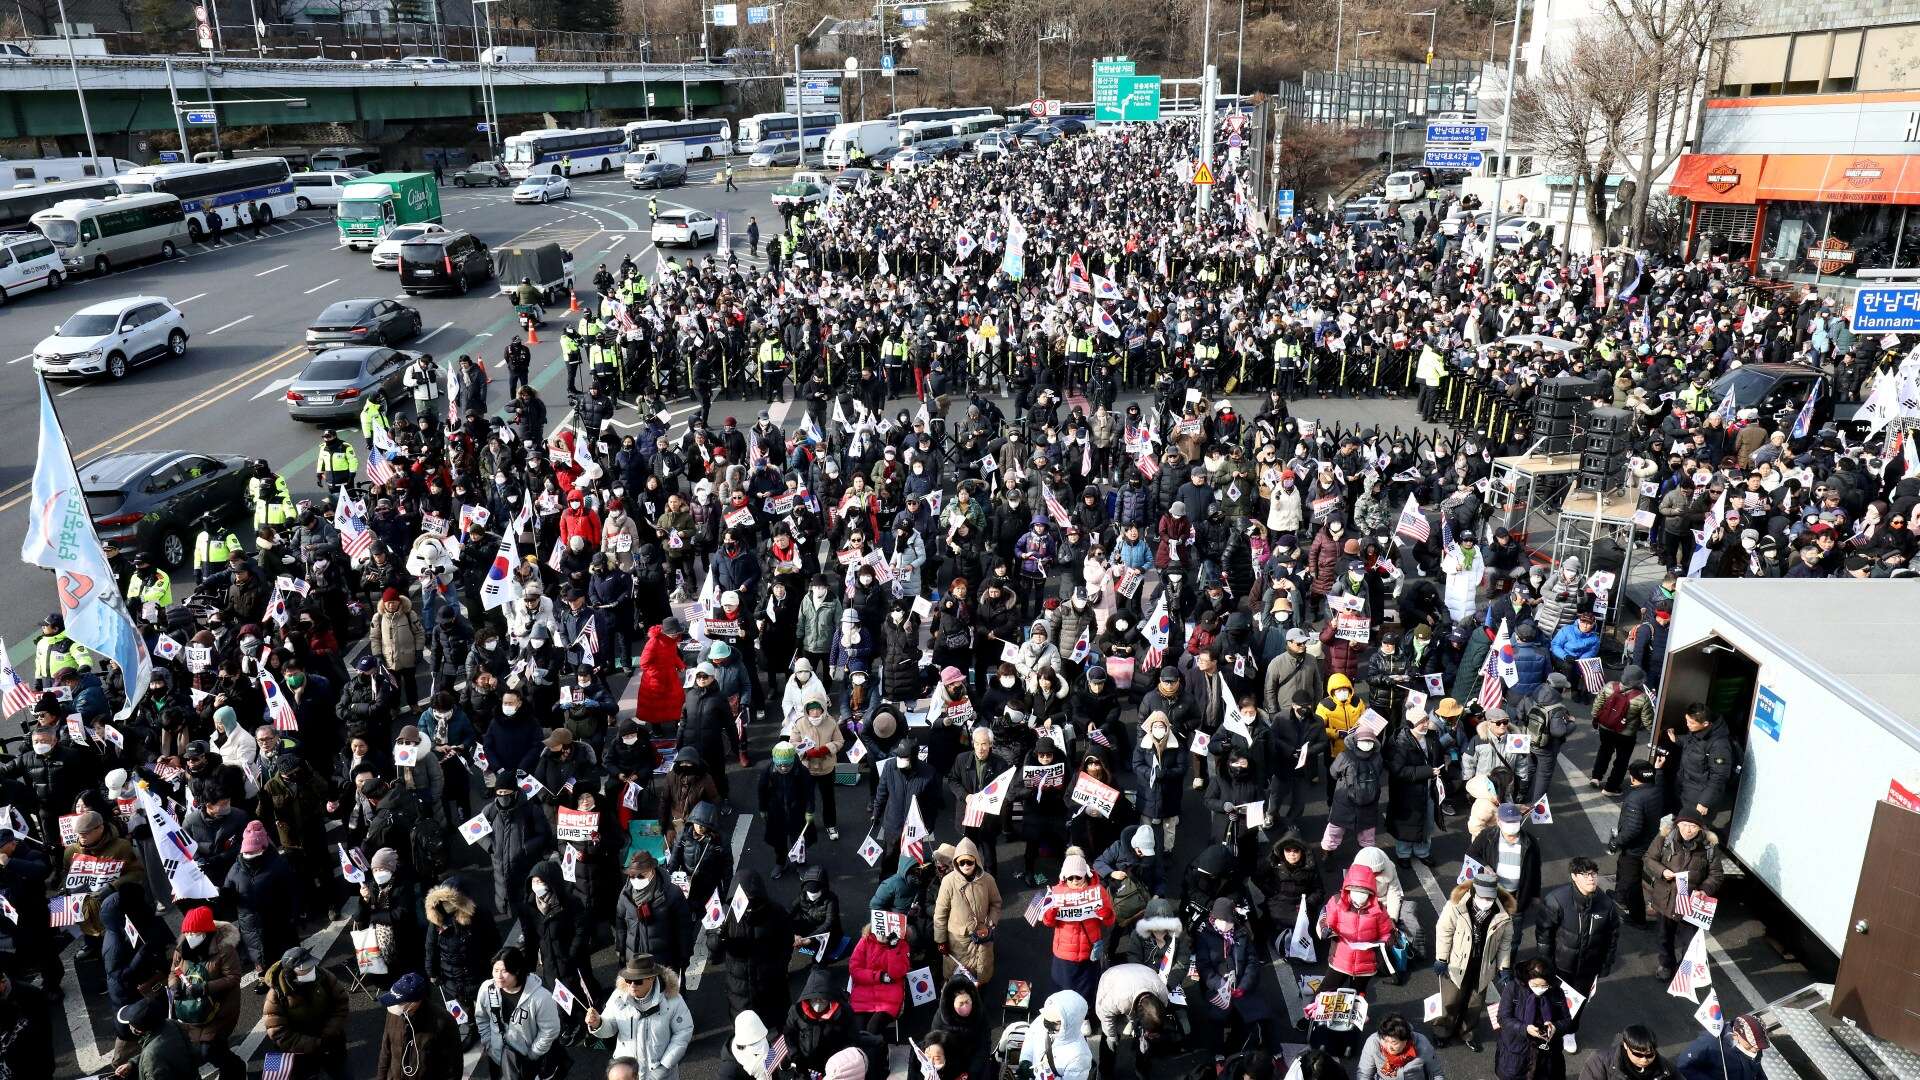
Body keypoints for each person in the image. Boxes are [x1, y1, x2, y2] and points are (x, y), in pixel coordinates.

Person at [1534, 856, 1622, 1052]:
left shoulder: (1606, 905)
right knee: (1550, 998)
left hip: (1588, 968)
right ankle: (1544, 1027)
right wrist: (1545, 963)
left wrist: (1605, 965)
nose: (1591, 878)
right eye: (1585, 874)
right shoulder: (1557, 900)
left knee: (1578, 1002)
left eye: (1593, 874)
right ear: (1574, 876)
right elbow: (1544, 935)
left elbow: (1612, 937)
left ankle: (1570, 1031)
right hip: (1560, 965)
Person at [1431, 866, 1514, 1051]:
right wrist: (1442, 959)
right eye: (1483, 896)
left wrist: (1504, 967)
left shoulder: (1504, 914)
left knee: (1475, 1003)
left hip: (1483, 965)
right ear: (1474, 891)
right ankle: (1442, 1031)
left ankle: (1467, 1033)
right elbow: (1444, 930)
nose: (1486, 901)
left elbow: (1505, 942)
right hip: (1456, 963)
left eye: (1490, 897)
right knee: (1450, 1001)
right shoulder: (1456, 905)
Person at [1644, 809, 1724, 980]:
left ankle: (1684, 970)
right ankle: (1666, 965)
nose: (1688, 830)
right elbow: (1649, 859)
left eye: (1693, 826)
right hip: (1665, 900)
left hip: (1691, 904)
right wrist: (1662, 871)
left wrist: (1704, 890)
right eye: (1685, 825)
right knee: (1664, 938)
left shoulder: (1709, 847)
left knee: (1690, 943)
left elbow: (1716, 875)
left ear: (1700, 829)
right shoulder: (1664, 838)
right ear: (1677, 824)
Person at [167, 905, 245, 1080]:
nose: (190, 937)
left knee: (209, 1049)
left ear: (206, 932)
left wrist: (205, 988)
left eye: (194, 933)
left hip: (219, 1008)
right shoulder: (182, 948)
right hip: (192, 1009)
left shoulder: (225, 950)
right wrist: (174, 986)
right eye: (187, 933)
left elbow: (233, 977)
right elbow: (174, 971)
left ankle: (236, 1070)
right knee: (205, 1050)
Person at [585, 957, 694, 1079]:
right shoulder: (618, 996)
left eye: (638, 981)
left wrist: (664, 1067)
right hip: (627, 1074)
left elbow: (683, 1032)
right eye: (628, 980)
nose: (631, 985)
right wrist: (598, 1023)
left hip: (661, 1075)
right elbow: (609, 1028)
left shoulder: (673, 999)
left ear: (651, 978)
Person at [476, 946, 564, 1080]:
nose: (498, 976)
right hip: (497, 1058)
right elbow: (481, 1018)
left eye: (504, 971)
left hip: (526, 1062)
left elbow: (550, 1030)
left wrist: (533, 1054)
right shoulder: (487, 989)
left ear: (517, 971)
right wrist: (489, 1044)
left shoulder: (541, 997)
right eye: (496, 970)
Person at [262, 947, 350, 1080]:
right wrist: (313, 1044)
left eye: (311, 966)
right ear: (290, 972)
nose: (311, 971)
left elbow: (341, 1003)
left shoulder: (324, 976)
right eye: (305, 969)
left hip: (330, 1043)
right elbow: (278, 1031)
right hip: (301, 1053)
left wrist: (328, 1033)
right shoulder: (276, 995)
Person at [1494, 958, 1572, 1080]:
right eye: (1535, 985)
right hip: (1517, 1051)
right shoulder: (1513, 988)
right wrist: (1524, 1028)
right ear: (1527, 978)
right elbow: (1503, 1018)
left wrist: (1556, 1027)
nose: (1539, 989)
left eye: (1544, 986)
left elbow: (1567, 1021)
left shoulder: (1557, 992)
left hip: (1546, 1054)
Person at [375, 972, 463, 1080]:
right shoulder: (394, 1013)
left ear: (415, 1002)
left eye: (399, 1002)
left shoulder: (443, 1021)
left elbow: (453, 1068)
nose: (394, 1006)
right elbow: (385, 1050)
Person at [1609, 761, 1662, 926]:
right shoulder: (1656, 790)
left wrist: (1616, 842)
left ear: (1633, 778)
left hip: (1635, 848)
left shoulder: (1635, 798)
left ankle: (1638, 918)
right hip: (1648, 841)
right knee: (1623, 869)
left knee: (1631, 881)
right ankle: (1619, 897)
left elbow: (1632, 829)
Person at [118, 995, 198, 1080]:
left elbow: (154, 1057)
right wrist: (133, 1064)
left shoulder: (151, 1055)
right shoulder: (171, 1024)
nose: (129, 1026)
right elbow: (161, 1053)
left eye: (130, 1024)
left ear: (138, 1030)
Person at [1675, 1012, 1768, 1080]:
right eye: (1751, 1045)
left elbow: (1757, 1066)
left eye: (1759, 1045)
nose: (1756, 1049)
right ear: (1736, 1036)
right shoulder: (1710, 1042)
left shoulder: (1756, 1043)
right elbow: (1684, 1064)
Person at [1357, 1013, 1446, 1080]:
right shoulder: (1373, 1043)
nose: (1388, 1047)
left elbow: (1437, 1074)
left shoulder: (1422, 1044)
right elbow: (1364, 1075)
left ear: (1405, 1040)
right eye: (1385, 1041)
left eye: (1394, 1042)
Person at [1579, 1025, 1675, 1080]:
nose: (1644, 1060)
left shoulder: (1665, 1067)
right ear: (1625, 1045)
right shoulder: (1600, 1061)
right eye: (1638, 1054)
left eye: (1650, 1055)